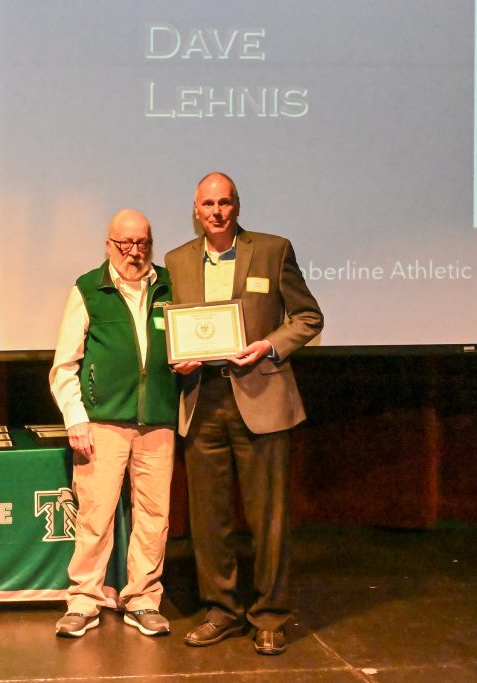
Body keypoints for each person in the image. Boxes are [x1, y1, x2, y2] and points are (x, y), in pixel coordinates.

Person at [165, 172, 323, 655]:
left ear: (237, 206)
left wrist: (269, 347)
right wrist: (178, 355)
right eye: (208, 204)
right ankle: (222, 610)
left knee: (268, 518)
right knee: (209, 520)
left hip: (261, 398)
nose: (216, 211)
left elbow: (308, 317)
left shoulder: (273, 250)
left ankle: (270, 615)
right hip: (202, 398)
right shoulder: (176, 260)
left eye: (225, 202)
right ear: (196, 210)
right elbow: (170, 322)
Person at [48, 209, 178, 638]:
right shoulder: (89, 288)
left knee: (154, 517)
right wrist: (75, 418)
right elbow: (64, 365)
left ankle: (141, 599)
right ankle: (84, 599)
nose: (134, 252)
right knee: (95, 515)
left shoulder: (171, 287)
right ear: (109, 245)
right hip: (101, 423)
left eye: (142, 243)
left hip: (158, 419)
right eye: (125, 244)